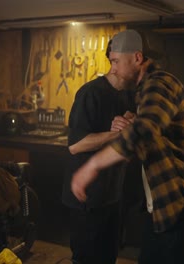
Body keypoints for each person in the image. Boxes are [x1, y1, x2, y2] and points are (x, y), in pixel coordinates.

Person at [71, 29, 184, 264]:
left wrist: (92, 165)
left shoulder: (157, 83)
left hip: (176, 205)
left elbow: (144, 131)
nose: (112, 68)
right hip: (164, 207)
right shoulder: (146, 89)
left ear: (137, 58)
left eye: (115, 61)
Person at [61, 39, 138, 264]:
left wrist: (131, 120)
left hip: (112, 195)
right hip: (87, 198)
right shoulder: (90, 93)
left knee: (108, 257)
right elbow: (75, 145)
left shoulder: (128, 93)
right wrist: (115, 133)